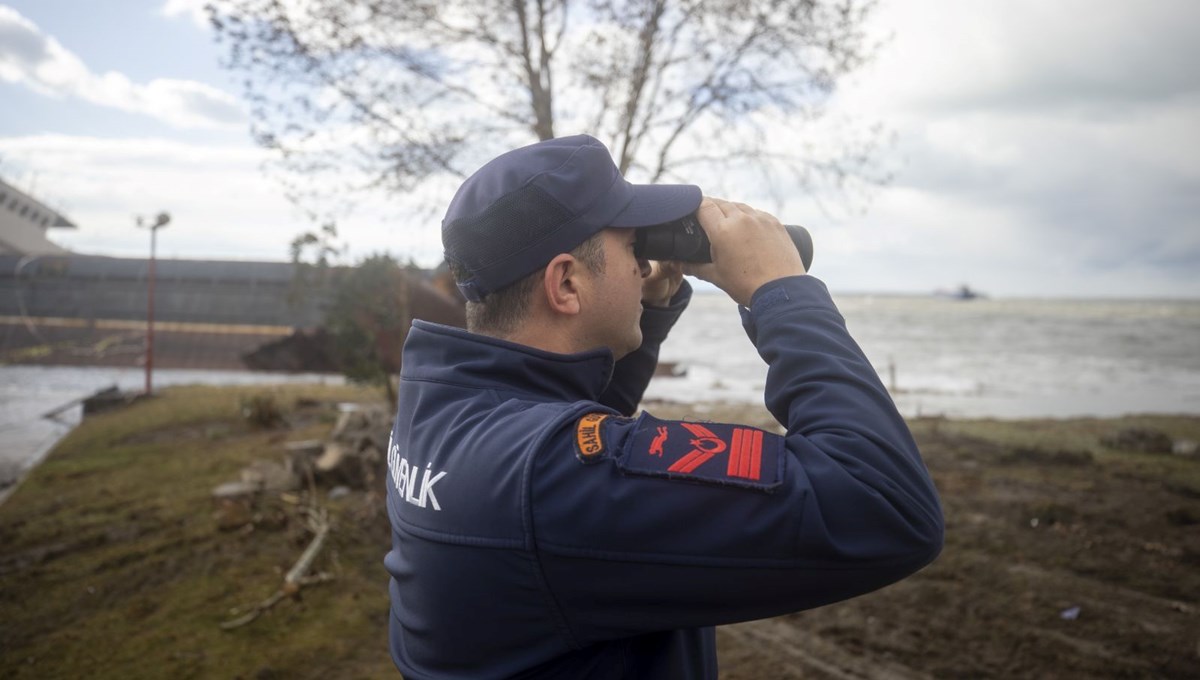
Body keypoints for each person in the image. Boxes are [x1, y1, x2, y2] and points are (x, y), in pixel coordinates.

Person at [383, 134, 943, 679]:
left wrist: (645, 314)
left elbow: (560, 428)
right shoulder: (549, 481)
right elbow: (882, 502)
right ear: (566, 284)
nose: (641, 264)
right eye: (631, 248)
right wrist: (780, 292)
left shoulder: (440, 408)